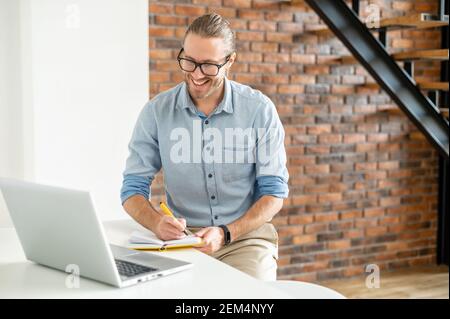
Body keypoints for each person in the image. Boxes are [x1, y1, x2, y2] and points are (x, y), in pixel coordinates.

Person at [120, 13, 289, 281]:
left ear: (230, 61)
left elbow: (274, 194)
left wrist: (225, 233)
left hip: (244, 240)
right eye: (189, 61)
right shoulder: (156, 112)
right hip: (182, 243)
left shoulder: (259, 111)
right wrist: (156, 223)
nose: (196, 74)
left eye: (209, 65)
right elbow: (132, 189)